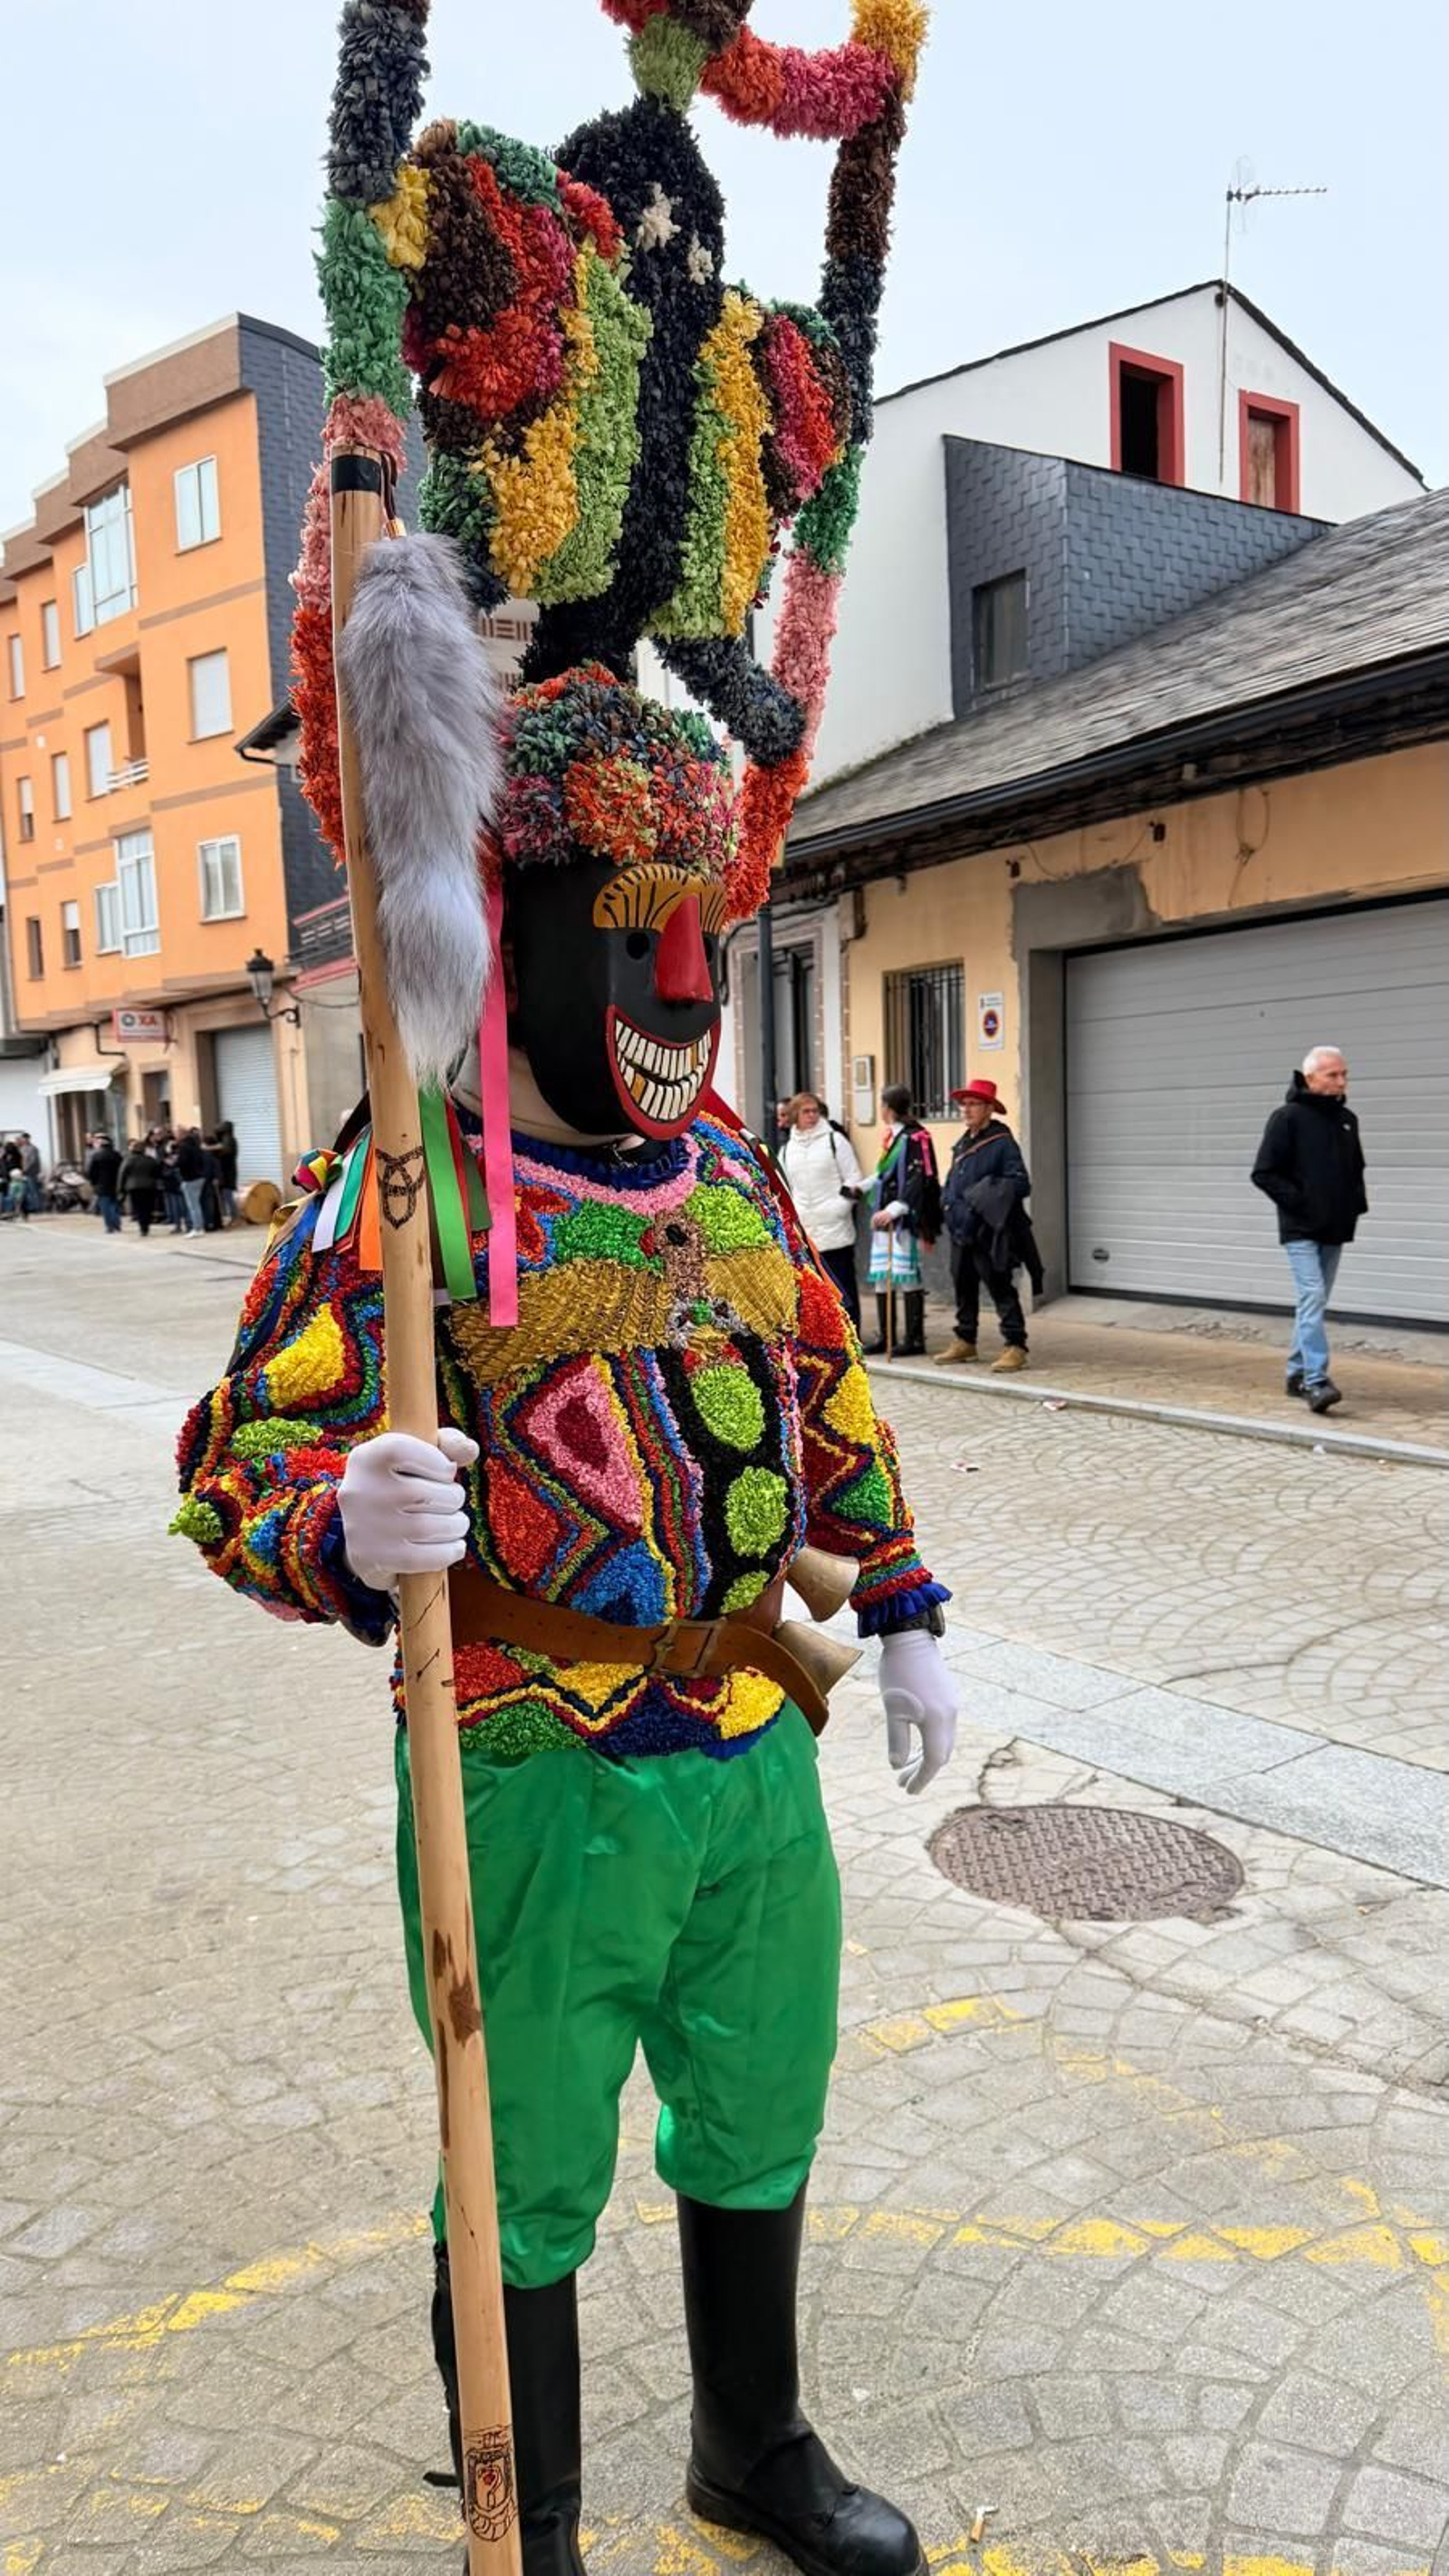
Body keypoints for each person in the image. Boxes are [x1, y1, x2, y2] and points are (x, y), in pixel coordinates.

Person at [1251, 1045, 1367, 1414]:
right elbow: (1264, 1173)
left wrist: (1354, 1209)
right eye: (1333, 1075)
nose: (1341, 1081)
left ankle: (1295, 1372)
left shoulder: (1347, 1119)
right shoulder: (1287, 1118)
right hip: (1301, 1226)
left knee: (1313, 1302)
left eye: (1344, 1074)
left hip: (1335, 1227)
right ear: (1310, 1077)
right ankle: (1315, 1381)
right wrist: (1300, 1202)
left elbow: (1355, 1170)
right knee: (1313, 1296)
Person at [936, 1079, 1041, 1374]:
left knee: (999, 1286)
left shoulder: (1002, 1143)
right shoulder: (963, 1142)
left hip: (989, 1231)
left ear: (989, 1109)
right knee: (963, 1285)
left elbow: (1020, 1183)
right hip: (960, 1230)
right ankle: (965, 1340)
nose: (966, 1109)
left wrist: (982, 1196)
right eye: (964, 1104)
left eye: (973, 1104)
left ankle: (1016, 1345)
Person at [864, 1085, 940, 1358]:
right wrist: (860, 1188)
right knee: (882, 1275)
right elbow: (883, 1175)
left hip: (903, 1218)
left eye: (882, 1104)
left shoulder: (915, 1137)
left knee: (905, 1274)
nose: (880, 1110)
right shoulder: (893, 1137)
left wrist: (896, 1208)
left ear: (889, 1108)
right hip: (883, 1216)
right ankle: (886, 1336)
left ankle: (914, 1339)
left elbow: (918, 1179)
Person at [781, 1091, 864, 1331]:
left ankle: (852, 1335)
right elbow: (787, 1188)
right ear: (796, 1114)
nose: (812, 1115)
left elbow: (853, 1179)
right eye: (806, 1111)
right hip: (808, 1232)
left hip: (836, 1228)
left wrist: (838, 1209)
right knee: (817, 1292)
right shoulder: (787, 1150)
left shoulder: (835, 1141)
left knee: (844, 1287)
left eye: (815, 1110)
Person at [118, 1138, 161, 1237]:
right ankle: (146, 1224)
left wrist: (121, 1189)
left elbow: (122, 1175)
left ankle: (143, 1227)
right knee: (148, 1207)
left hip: (134, 1187)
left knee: (138, 1207)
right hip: (149, 1186)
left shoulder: (128, 1160)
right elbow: (157, 1173)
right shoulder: (150, 1160)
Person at [86, 1132, 124, 1235]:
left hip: (101, 1184)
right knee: (114, 1204)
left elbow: (91, 1172)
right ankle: (117, 1224)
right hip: (115, 1183)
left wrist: (93, 1183)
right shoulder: (116, 1155)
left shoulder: (97, 1156)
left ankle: (109, 1226)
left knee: (105, 1206)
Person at [174, 1127, 208, 1235]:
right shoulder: (196, 1145)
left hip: (190, 1178)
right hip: (200, 1177)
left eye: (177, 1133)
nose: (175, 1136)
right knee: (197, 1204)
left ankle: (197, 1228)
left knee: (193, 1205)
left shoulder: (184, 1147)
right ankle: (200, 1227)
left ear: (181, 1135)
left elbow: (183, 1162)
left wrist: (174, 1163)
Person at [213, 1120, 239, 1226]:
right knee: (225, 1195)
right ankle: (231, 1216)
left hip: (228, 1172)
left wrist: (208, 1148)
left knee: (228, 1195)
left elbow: (224, 1148)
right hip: (224, 1172)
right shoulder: (224, 1139)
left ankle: (235, 1216)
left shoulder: (230, 1140)